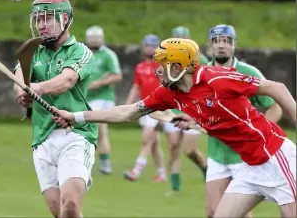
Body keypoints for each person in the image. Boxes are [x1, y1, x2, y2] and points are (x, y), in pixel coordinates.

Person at [52, 38, 296, 218]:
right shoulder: (169, 93)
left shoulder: (218, 79)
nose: (156, 69)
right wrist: (76, 117)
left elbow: (277, 88)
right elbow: (126, 111)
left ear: (178, 67)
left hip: (276, 156)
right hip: (251, 167)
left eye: (162, 64)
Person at [13, 0, 98, 218]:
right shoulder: (32, 52)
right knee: (61, 213)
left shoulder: (79, 51)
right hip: (42, 139)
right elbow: (20, 80)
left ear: (66, 19)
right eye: (38, 20)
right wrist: (23, 94)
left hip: (75, 135)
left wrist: (35, 89)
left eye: (47, 19)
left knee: (70, 204)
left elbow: (66, 81)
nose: (41, 25)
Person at [204, 24, 283, 218]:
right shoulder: (201, 73)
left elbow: (276, 105)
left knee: (239, 212)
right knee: (214, 211)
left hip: (243, 155)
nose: (221, 45)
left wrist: (258, 132)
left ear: (234, 45)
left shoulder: (248, 72)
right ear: (210, 46)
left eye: (226, 41)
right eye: (217, 41)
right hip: (216, 153)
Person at [124, 34, 169, 183]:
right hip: (145, 106)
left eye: (153, 45)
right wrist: (128, 104)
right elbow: (136, 87)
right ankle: (162, 174)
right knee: (154, 143)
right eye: (147, 45)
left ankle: (136, 171)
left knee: (146, 140)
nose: (150, 48)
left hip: (158, 107)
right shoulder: (140, 67)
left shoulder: (162, 66)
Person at [170, 26, 209, 184]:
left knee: (190, 150)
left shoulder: (201, 59)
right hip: (175, 107)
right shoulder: (168, 58)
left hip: (194, 108)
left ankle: (207, 170)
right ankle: (175, 187)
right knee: (173, 147)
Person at [85, 25, 123, 175]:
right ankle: (88, 162)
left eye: (97, 38)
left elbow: (116, 75)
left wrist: (98, 84)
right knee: (87, 130)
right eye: (91, 38)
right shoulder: (83, 53)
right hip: (86, 98)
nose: (94, 41)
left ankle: (105, 164)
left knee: (100, 130)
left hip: (103, 98)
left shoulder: (108, 54)